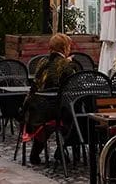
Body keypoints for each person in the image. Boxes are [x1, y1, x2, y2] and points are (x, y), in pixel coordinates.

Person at [26, 33, 81, 164]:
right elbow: (73, 87)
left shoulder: (42, 61)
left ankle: (36, 153)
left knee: (51, 123)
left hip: (36, 110)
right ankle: (61, 150)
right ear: (65, 48)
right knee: (76, 114)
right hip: (58, 110)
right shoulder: (68, 66)